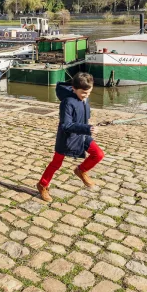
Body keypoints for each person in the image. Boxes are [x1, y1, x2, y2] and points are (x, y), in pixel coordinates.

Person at [37, 72, 104, 202]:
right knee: (56, 163)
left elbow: (84, 115)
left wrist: (88, 127)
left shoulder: (85, 98)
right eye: (83, 93)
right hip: (67, 138)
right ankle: (42, 185)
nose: (86, 96)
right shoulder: (67, 103)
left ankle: (81, 170)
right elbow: (66, 125)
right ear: (73, 89)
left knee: (98, 154)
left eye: (89, 92)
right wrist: (87, 128)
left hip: (83, 135)